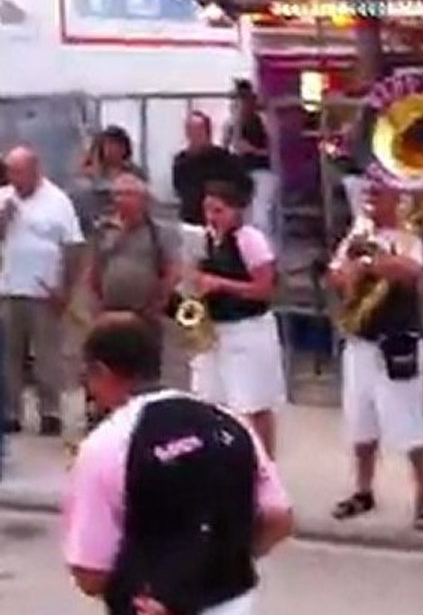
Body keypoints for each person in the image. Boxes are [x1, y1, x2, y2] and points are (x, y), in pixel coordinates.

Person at [63, 312, 293, 615]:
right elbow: (279, 519)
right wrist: (221, 562)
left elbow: (89, 572)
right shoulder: (228, 422)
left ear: (101, 371)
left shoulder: (105, 446)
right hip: (232, 600)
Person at [326, 177, 423, 531]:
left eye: (378, 194)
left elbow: (411, 272)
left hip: (397, 339)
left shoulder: (408, 232)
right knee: (361, 422)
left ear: (396, 197)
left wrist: (371, 263)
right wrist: (351, 272)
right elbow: (335, 274)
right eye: (369, 194)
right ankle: (363, 490)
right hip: (361, 338)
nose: (371, 200)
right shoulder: (359, 229)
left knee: (409, 425)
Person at [189, 181, 285, 458]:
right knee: (210, 404)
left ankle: (264, 469)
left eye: (218, 210)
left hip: (248, 330)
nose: (211, 217)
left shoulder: (249, 239)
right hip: (215, 330)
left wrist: (221, 284)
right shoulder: (203, 239)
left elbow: (265, 289)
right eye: (207, 210)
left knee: (253, 405)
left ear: (235, 211)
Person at [0, 146, 85, 436]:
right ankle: (10, 412)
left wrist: (66, 288)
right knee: (10, 354)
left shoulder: (57, 201)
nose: (14, 178)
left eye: (19, 172)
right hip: (10, 288)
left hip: (45, 290)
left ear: (35, 170)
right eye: (10, 172)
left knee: (47, 355)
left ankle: (50, 411)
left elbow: (73, 246)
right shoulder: (4, 198)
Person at [89, 173, 183, 388]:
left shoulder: (157, 231)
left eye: (129, 194)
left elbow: (172, 270)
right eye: (118, 194)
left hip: (144, 315)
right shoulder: (104, 230)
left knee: (144, 370)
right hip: (110, 313)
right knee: (110, 368)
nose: (122, 199)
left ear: (143, 199)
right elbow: (94, 268)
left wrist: (158, 302)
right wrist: (96, 303)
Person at [173, 111, 250, 227]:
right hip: (192, 221)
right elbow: (180, 189)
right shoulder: (181, 161)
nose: (194, 134)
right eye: (190, 130)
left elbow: (244, 187)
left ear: (207, 132)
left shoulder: (225, 159)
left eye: (198, 130)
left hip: (222, 223)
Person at [75, 126, 147, 233]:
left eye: (115, 144)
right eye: (107, 144)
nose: (111, 149)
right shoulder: (93, 173)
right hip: (97, 225)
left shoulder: (135, 173)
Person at [226, 80, 275, 237]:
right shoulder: (232, 123)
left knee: (260, 217)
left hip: (262, 170)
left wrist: (252, 149)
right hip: (239, 173)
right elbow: (225, 147)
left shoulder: (262, 120)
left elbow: (274, 150)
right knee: (243, 215)